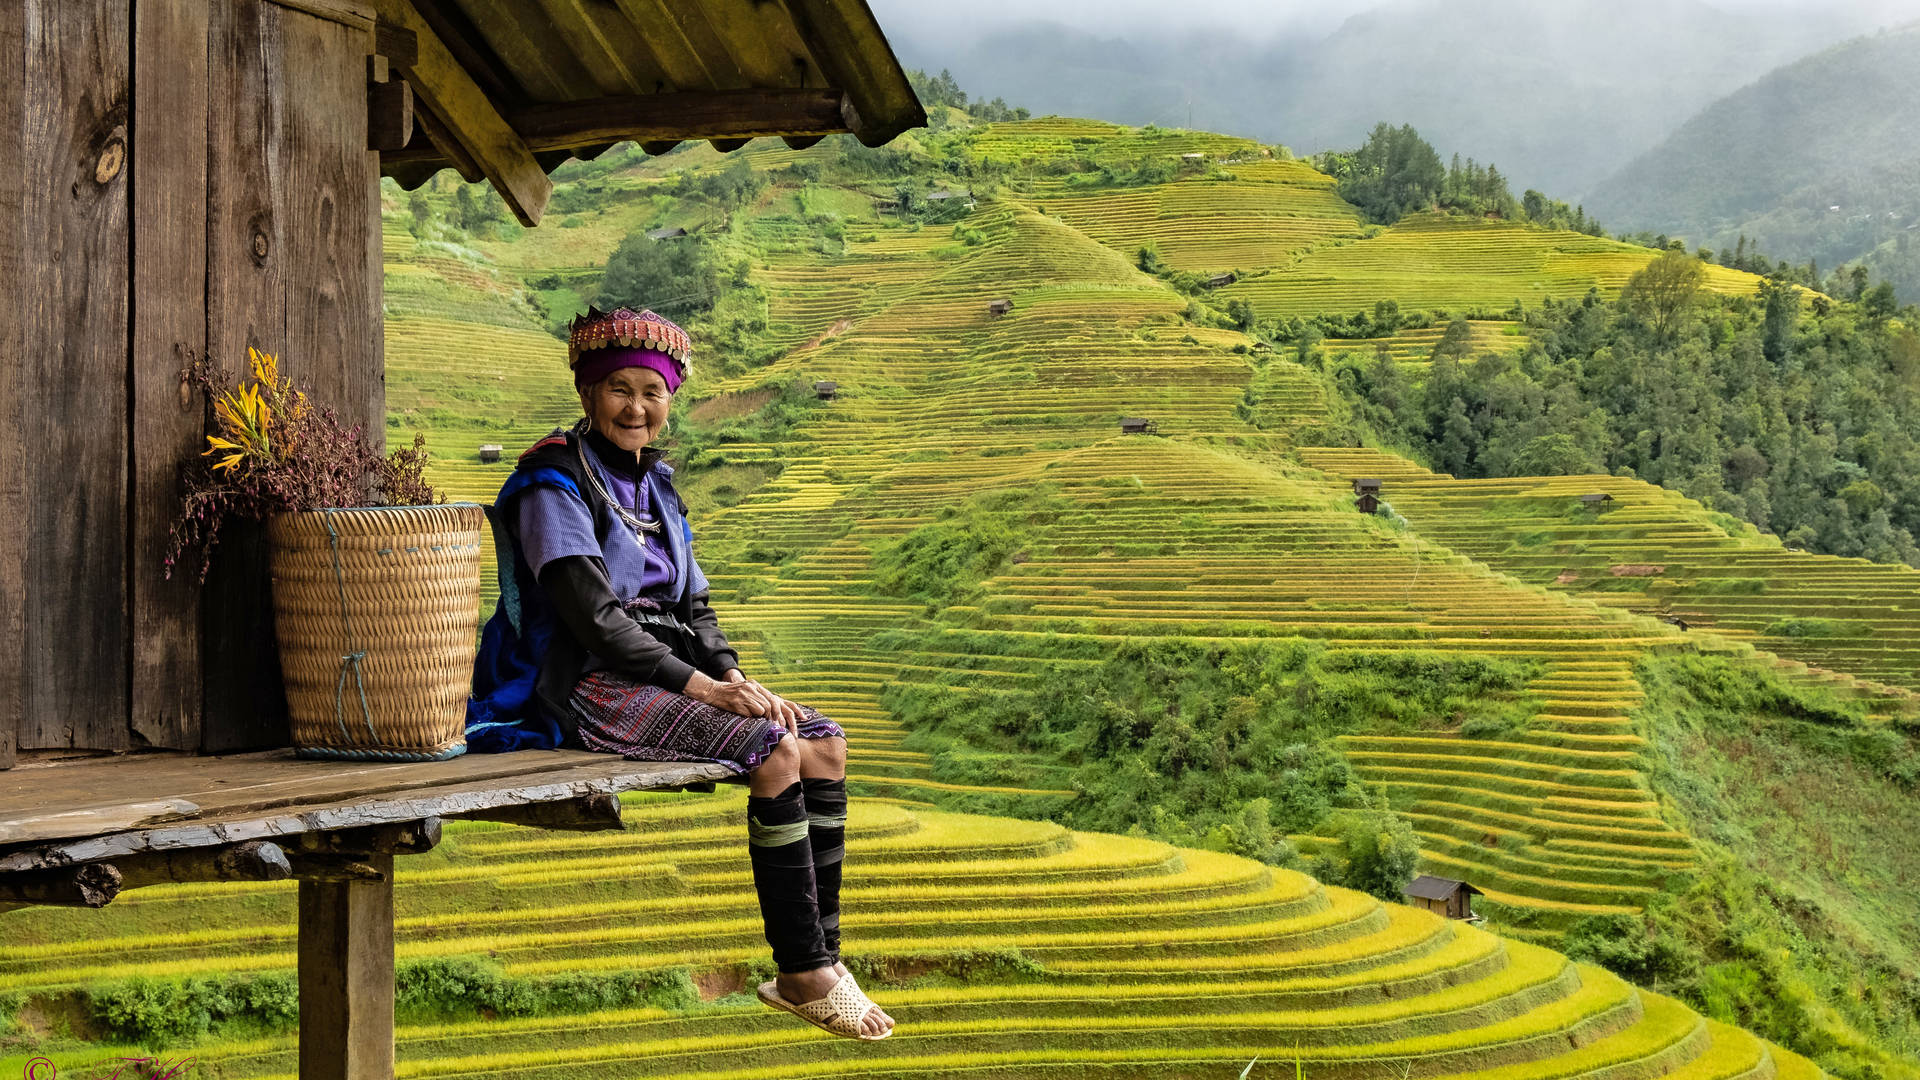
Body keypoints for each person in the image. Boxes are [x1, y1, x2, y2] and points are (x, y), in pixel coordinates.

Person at [465, 305, 893, 1040]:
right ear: (587, 393)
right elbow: (593, 618)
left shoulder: (658, 488)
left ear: (671, 400)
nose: (637, 407)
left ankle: (821, 958)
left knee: (822, 740)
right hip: (589, 679)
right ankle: (802, 969)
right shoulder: (551, 483)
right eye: (619, 389)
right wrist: (706, 688)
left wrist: (734, 674)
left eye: (653, 392)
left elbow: (696, 606)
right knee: (772, 748)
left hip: (673, 670)